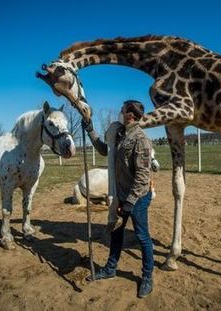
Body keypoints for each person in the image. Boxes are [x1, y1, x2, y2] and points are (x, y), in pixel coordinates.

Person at [82, 100, 154, 298]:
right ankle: (110, 268)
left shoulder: (141, 139)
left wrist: (130, 201)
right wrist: (90, 131)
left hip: (137, 198)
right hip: (121, 195)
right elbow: (106, 150)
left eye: (123, 110)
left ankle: (147, 277)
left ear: (130, 114)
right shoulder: (121, 134)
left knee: (142, 237)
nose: (120, 112)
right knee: (116, 233)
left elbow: (143, 176)